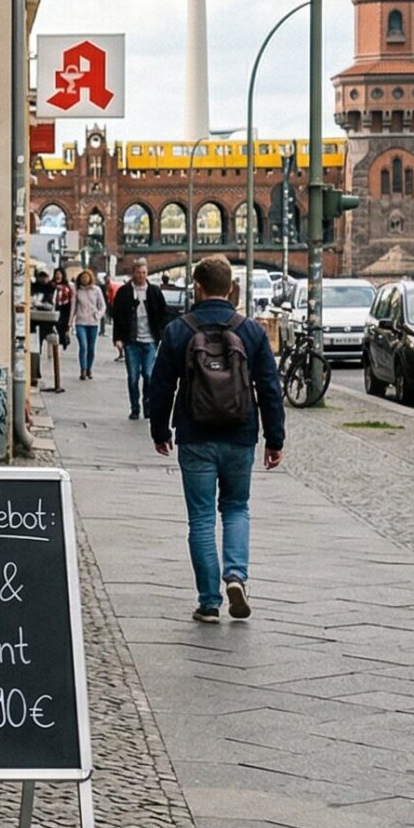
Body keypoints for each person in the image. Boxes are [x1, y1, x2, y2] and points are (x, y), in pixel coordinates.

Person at [146, 256, 284, 622]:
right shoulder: (251, 331)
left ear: (198, 287)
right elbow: (270, 388)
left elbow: (160, 386)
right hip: (240, 434)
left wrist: (159, 430)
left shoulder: (179, 330)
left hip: (195, 435)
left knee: (201, 518)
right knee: (236, 507)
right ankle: (236, 575)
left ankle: (209, 602)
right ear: (231, 289)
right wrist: (275, 439)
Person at [109, 259, 169, 421]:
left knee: (148, 375)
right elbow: (117, 316)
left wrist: (162, 333)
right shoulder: (124, 292)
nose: (141, 276)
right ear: (133, 273)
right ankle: (134, 408)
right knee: (133, 377)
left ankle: (147, 405)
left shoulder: (154, 291)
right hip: (131, 341)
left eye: (144, 273)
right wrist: (118, 338)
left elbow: (164, 314)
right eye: (138, 273)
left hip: (150, 340)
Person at [70, 267, 106, 380]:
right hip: (80, 322)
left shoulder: (96, 290)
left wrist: (98, 315)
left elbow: (103, 306)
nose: (85, 279)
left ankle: (89, 368)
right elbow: (73, 307)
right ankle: (83, 369)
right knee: (83, 346)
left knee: (91, 348)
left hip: (93, 323)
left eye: (86, 277)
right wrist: (70, 322)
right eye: (83, 277)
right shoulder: (77, 291)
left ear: (90, 278)